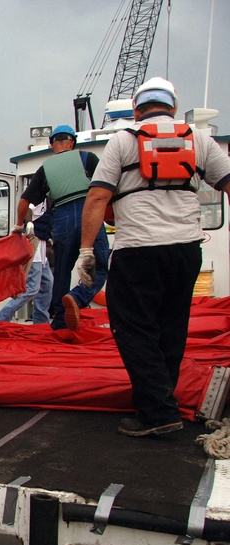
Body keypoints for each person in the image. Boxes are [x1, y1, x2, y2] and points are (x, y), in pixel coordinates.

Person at [79, 77, 230, 437]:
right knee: (171, 325)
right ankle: (161, 400)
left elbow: (99, 198)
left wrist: (87, 251)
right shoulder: (199, 140)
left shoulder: (123, 140)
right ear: (174, 108)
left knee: (133, 326)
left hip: (139, 249)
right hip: (186, 250)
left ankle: (157, 412)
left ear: (136, 110)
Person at [16, 124, 109, 331]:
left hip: (63, 219)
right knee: (100, 267)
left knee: (62, 271)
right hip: (89, 212)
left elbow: (24, 202)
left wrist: (18, 225)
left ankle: (59, 321)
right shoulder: (88, 158)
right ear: (72, 142)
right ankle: (77, 297)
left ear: (51, 145)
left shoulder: (45, 169)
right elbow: (106, 187)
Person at [0, 202, 53, 329]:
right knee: (32, 288)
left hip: (43, 250)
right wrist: (30, 224)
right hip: (35, 249)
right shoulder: (40, 199)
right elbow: (28, 208)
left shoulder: (52, 206)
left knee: (47, 285)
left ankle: (41, 324)